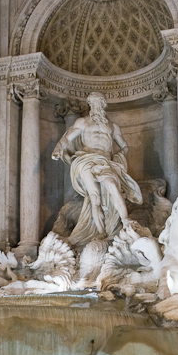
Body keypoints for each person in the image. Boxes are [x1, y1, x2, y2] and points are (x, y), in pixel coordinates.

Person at [51, 92, 142, 246]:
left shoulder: (113, 127)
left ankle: (126, 220)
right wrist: (58, 149)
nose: (96, 106)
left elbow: (124, 146)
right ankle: (101, 232)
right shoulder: (83, 122)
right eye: (92, 103)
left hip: (105, 161)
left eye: (98, 102)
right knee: (95, 196)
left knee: (112, 185)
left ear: (103, 105)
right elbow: (67, 138)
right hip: (85, 159)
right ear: (90, 105)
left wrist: (120, 157)